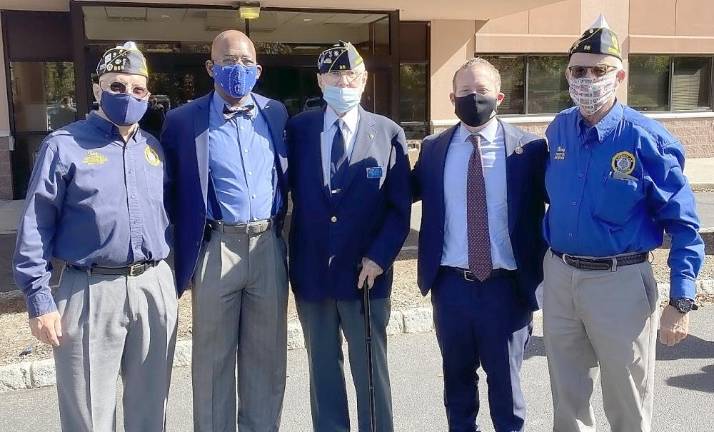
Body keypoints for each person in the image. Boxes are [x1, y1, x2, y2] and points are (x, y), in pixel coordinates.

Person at [542, 16, 705, 432]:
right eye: (578, 70)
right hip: (560, 278)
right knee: (567, 398)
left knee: (628, 403)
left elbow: (685, 227)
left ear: (620, 75)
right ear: (567, 74)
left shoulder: (646, 138)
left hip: (620, 284)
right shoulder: (559, 128)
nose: (587, 79)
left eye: (599, 70)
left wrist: (680, 301)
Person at [13, 41, 177, 431]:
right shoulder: (63, 146)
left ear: (148, 95)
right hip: (88, 289)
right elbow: (36, 222)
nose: (128, 96)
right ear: (97, 89)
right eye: (117, 87)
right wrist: (39, 297)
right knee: (88, 415)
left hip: (152, 284)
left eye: (137, 90)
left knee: (152, 412)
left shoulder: (152, 148)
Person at [160, 30, 289, 432]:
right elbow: (167, 193)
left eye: (246, 62)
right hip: (216, 248)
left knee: (266, 360)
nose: (238, 69)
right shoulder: (183, 120)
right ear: (210, 67)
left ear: (258, 68)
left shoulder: (276, 113)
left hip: (267, 245)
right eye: (228, 61)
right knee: (213, 360)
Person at [412, 57, 548, 432]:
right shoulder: (434, 148)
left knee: (506, 392)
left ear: (500, 96)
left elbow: (563, 202)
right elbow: (398, 195)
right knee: (457, 389)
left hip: (507, 289)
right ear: (452, 97)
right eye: (466, 91)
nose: (474, 98)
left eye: (482, 91)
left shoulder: (530, 150)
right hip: (451, 287)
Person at [287, 41, 411, 432]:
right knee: (322, 375)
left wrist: (380, 257)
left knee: (372, 376)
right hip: (313, 275)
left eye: (351, 75)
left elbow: (399, 207)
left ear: (364, 80)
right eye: (335, 75)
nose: (344, 82)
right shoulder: (299, 129)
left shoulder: (388, 132)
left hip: (366, 276)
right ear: (320, 81)